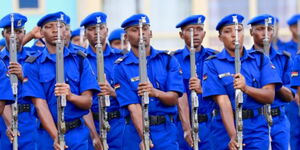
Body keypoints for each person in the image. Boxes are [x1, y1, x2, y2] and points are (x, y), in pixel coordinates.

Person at [202, 14, 282, 150]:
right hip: (224, 129)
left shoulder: (260, 59)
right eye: (228, 31)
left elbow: (269, 96)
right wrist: (233, 135)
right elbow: (223, 102)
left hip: (256, 129)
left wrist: (246, 88)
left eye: (238, 30)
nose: (234, 35)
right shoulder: (212, 64)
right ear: (220, 37)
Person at [22, 11, 100, 150]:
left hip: (77, 134)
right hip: (47, 134)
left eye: (60, 26)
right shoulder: (33, 64)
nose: (55, 30)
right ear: (41, 32)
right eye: (49, 26)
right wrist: (55, 136)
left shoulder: (80, 60)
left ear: (66, 30)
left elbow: (87, 102)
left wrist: (71, 96)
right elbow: (39, 104)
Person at [113, 13, 184, 150]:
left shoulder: (167, 60)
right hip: (135, 131)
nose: (141, 33)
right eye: (135, 30)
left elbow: (174, 98)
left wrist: (155, 93)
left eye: (144, 29)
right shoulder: (121, 67)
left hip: (166, 131)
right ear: (126, 37)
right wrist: (144, 136)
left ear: (150, 33)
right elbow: (133, 107)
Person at [80, 12, 125, 150]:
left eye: (100, 28)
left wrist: (113, 92)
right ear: (86, 33)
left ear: (107, 30)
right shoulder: (80, 59)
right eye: (92, 29)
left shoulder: (121, 58)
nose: (97, 32)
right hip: (90, 122)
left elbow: (134, 92)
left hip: (118, 122)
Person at [248, 14, 294, 150]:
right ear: (251, 32)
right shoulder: (245, 60)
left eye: (269, 29)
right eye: (261, 29)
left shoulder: (284, 59)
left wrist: (273, 81)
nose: (266, 33)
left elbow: (290, 96)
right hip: (254, 120)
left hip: (279, 119)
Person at [173, 14, 217, 150]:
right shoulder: (173, 60)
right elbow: (178, 95)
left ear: (204, 33)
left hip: (211, 124)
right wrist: (187, 127)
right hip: (183, 124)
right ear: (181, 35)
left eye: (199, 29)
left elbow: (224, 91)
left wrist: (204, 88)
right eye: (190, 30)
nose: (195, 34)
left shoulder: (215, 58)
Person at [0, 12, 38, 150]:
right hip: (3, 119)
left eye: (18, 31)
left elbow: (43, 90)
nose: (14, 36)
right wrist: (9, 123)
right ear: (4, 34)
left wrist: (24, 76)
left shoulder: (34, 59)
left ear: (24, 33)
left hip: (29, 119)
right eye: (10, 31)